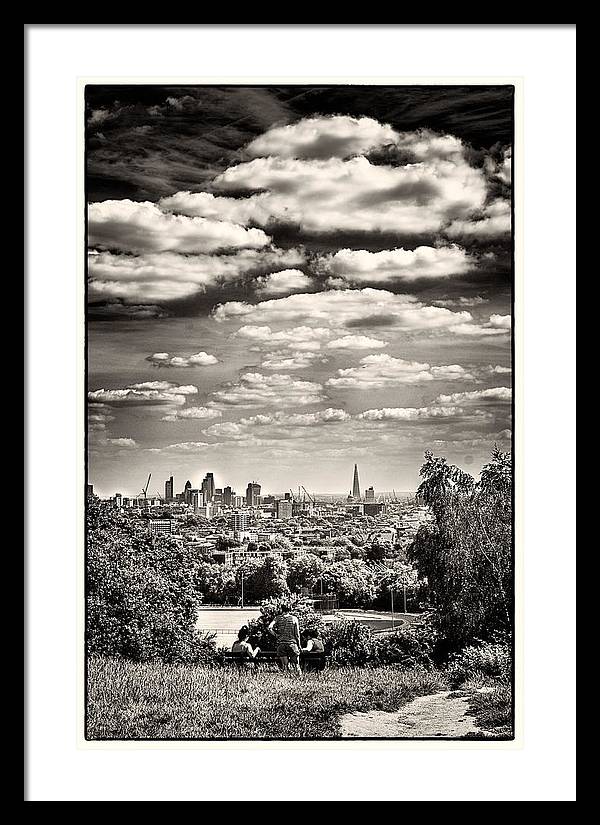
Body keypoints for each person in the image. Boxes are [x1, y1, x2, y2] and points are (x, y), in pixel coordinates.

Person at [268, 603, 302, 674]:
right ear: (290, 609)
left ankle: (286, 680)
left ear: (281, 609)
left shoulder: (277, 618)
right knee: (296, 665)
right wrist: (299, 645)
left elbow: (269, 627)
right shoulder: (294, 619)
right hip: (292, 643)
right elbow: (297, 634)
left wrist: (276, 635)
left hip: (281, 644)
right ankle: (300, 679)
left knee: (285, 666)